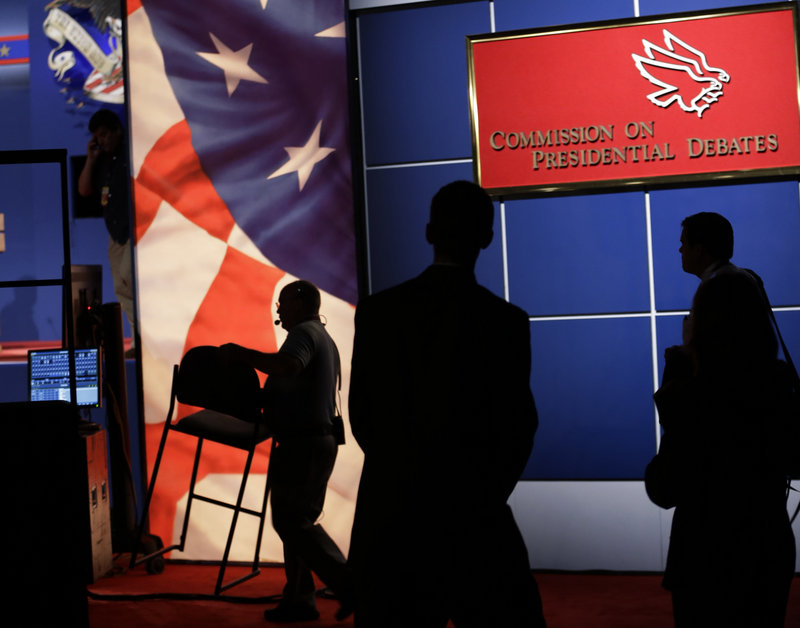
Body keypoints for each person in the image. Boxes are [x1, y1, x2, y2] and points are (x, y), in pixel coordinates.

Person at [348, 181, 546, 627]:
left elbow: (364, 416)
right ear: (487, 238)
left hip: (393, 522)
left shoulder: (379, 313)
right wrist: (482, 493)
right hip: (476, 523)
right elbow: (519, 427)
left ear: (429, 232)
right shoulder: (506, 323)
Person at [645, 212, 796, 627]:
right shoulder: (778, 383)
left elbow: (663, 486)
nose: (678, 248)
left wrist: (675, 380)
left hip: (706, 558)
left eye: (694, 318)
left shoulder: (694, 392)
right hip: (769, 551)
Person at [222, 279, 353, 623]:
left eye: (282, 302)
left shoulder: (304, 335)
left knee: (293, 521)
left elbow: (287, 367)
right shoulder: (320, 336)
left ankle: (348, 584)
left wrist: (241, 355)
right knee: (295, 522)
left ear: (300, 302)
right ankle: (300, 599)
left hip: (303, 444)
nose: (277, 309)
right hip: (310, 442)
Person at [77, 108, 136, 356]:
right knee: (121, 288)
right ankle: (136, 341)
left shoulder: (130, 153)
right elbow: (84, 190)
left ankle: (144, 339)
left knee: (131, 281)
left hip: (134, 232)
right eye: (97, 137)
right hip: (115, 236)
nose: (101, 140)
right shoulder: (102, 159)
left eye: (104, 134)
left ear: (116, 131)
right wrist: (90, 158)